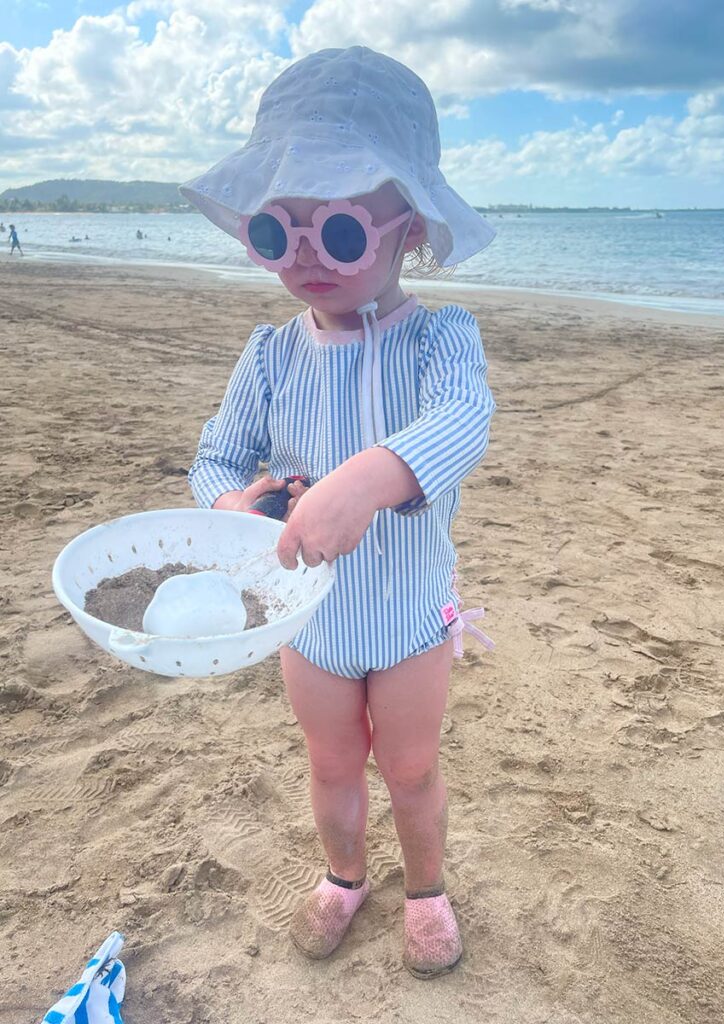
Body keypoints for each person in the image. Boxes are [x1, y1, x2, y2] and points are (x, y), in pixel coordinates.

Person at [181, 46, 497, 980]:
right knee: (329, 767)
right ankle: (346, 875)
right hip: (308, 621)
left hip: (408, 620)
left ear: (408, 231)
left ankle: (427, 888)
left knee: (409, 770)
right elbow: (216, 457)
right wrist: (237, 505)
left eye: (345, 232)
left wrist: (372, 475)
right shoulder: (271, 355)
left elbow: (464, 416)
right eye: (280, 233)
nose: (311, 256)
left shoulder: (442, 337)